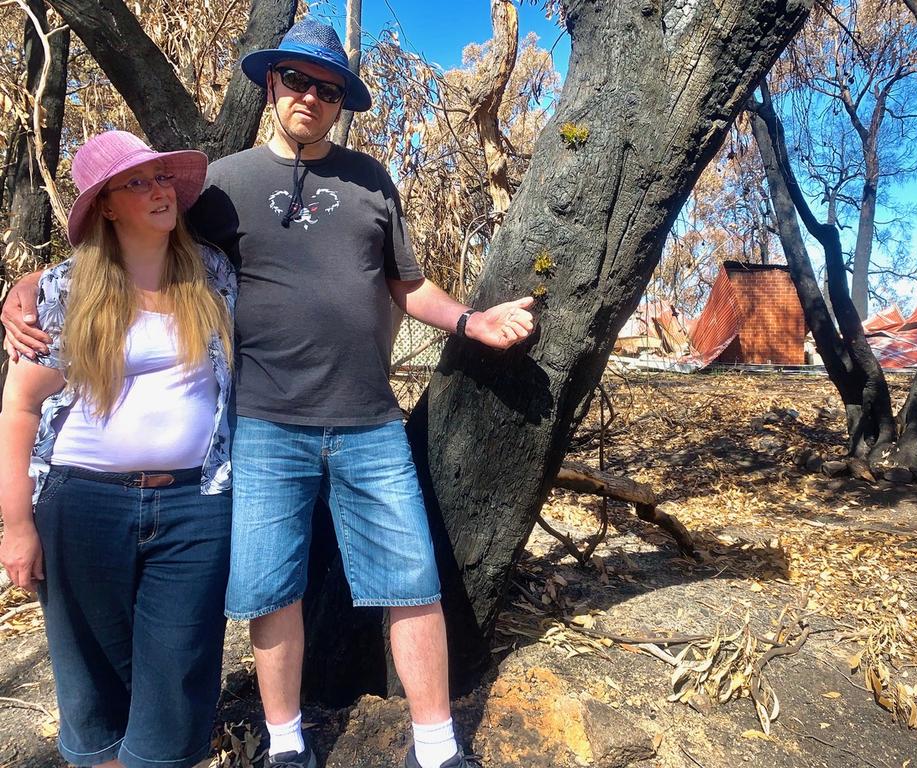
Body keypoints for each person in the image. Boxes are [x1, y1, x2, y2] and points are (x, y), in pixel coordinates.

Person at [3, 18, 533, 768]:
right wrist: (29, 287)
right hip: (263, 424)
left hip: (369, 421)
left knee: (411, 579)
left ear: (341, 101)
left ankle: (437, 748)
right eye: (296, 80)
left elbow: (406, 285)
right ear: (270, 84)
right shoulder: (221, 185)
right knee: (269, 587)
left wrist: (472, 320)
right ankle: (286, 744)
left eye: (328, 87)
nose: (310, 97)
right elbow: (127, 233)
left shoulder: (370, 180)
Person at [0, 131, 236, 768]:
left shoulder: (210, 272)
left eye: (161, 179)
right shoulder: (70, 289)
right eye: (137, 183)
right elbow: (20, 407)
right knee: (91, 677)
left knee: (180, 672)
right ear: (105, 205)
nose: (158, 191)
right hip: (82, 505)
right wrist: (17, 526)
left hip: (196, 505)